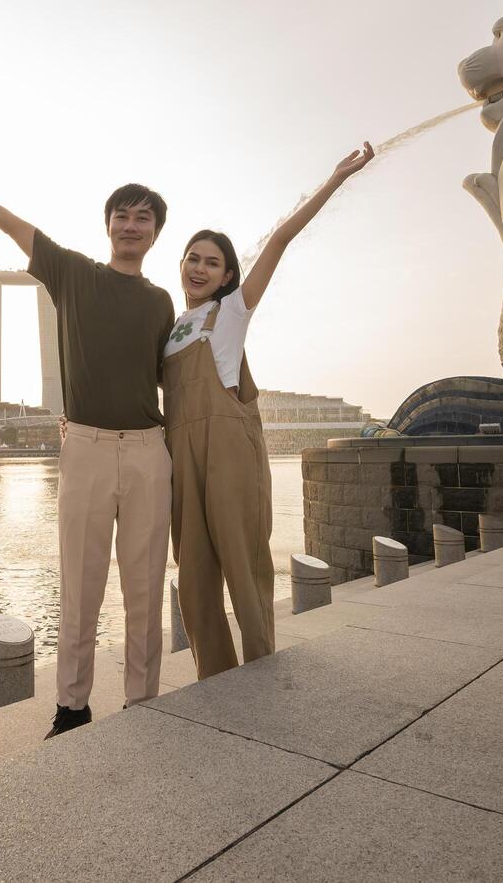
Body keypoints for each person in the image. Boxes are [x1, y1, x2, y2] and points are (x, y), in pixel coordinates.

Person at [0, 161, 174, 739]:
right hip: (83, 447)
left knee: (145, 583)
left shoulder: (162, 302)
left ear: (156, 232)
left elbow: (169, 380)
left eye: (143, 218)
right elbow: (14, 225)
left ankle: (144, 700)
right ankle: (72, 705)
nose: (131, 225)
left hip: (147, 451)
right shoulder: (73, 273)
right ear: (108, 225)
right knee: (80, 583)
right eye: (122, 215)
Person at [165, 142, 375, 680]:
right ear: (181, 263)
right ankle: (215, 673)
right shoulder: (169, 330)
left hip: (228, 449)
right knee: (193, 572)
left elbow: (281, 238)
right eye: (193, 257)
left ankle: (260, 664)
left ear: (227, 274)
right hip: (179, 456)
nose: (200, 267)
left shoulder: (231, 310)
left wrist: (334, 179)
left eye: (212, 262)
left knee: (242, 557)